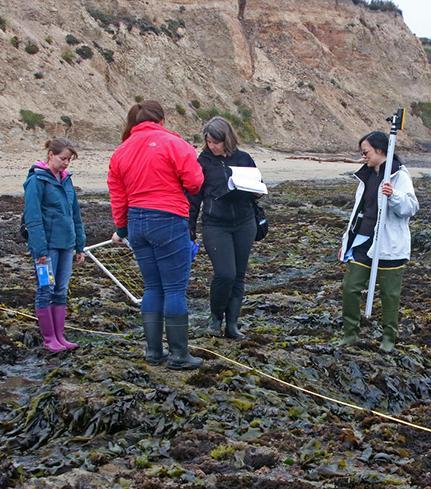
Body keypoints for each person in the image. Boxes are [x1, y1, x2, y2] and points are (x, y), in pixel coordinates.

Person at [107, 100, 205, 369]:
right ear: (161, 119)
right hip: (168, 217)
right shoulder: (173, 143)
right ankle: (179, 355)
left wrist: (122, 227)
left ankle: (153, 351)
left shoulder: (121, 151)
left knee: (152, 287)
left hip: (137, 222)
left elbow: (117, 194)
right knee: (174, 288)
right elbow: (195, 182)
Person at [339, 131, 419, 352]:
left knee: (390, 295)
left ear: (380, 150)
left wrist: (393, 195)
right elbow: (358, 211)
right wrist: (347, 240)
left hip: (389, 244)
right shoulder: (365, 176)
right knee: (350, 287)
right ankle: (350, 334)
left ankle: (388, 339)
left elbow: (411, 208)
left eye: (366, 152)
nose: (362, 156)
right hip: (363, 241)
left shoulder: (399, 175)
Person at [189, 116, 260, 339]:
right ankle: (215, 318)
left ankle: (232, 324)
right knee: (224, 274)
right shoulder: (202, 162)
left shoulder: (244, 158)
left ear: (226, 139)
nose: (212, 146)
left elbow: (257, 189)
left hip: (244, 222)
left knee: (238, 275)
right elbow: (194, 199)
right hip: (215, 224)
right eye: (209, 142)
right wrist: (189, 230)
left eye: (216, 142)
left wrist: (257, 190)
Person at [23, 138, 86, 353]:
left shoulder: (66, 180)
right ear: (50, 154)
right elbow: (33, 218)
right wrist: (39, 250)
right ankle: (49, 338)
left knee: (61, 290)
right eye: (63, 158)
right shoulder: (36, 181)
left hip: (66, 245)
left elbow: (75, 215)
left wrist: (80, 245)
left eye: (69, 159)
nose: (66, 163)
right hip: (46, 248)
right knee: (45, 289)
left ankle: (60, 336)